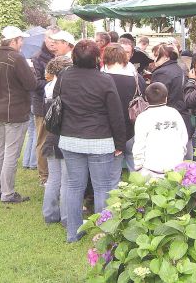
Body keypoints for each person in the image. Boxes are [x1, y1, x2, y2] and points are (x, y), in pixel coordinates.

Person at [54, 39, 125, 242]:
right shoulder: (104, 80)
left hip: (71, 139)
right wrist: (120, 143)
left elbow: (57, 105)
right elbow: (116, 114)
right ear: (97, 58)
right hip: (99, 140)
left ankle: (73, 232)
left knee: (74, 186)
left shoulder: (65, 76)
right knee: (102, 187)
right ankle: (103, 235)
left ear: (74, 57)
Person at [0, 26, 37, 203]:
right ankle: (7, 193)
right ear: (14, 41)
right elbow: (31, 84)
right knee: (10, 153)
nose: (22, 43)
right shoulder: (17, 58)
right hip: (15, 112)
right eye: (21, 39)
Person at [103, 43, 146, 171]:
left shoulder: (101, 79)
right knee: (137, 172)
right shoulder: (138, 79)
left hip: (109, 131)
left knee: (111, 176)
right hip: (134, 129)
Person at [133, 82, 188, 178]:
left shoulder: (143, 117)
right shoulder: (174, 113)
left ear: (146, 99)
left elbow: (139, 143)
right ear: (166, 98)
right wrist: (180, 156)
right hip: (175, 168)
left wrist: (138, 166)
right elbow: (184, 138)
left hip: (150, 169)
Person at [42, 56, 73, 226]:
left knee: (53, 178)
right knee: (66, 180)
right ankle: (67, 218)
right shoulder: (63, 86)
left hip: (51, 136)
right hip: (63, 135)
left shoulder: (48, 86)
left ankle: (50, 214)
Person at [151, 43, 193, 159]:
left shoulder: (162, 73)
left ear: (165, 56)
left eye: (155, 55)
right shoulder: (180, 68)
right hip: (183, 116)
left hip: (167, 120)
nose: (154, 59)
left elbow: (156, 98)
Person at [31, 25, 61, 185]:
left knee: (57, 141)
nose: (52, 42)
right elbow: (35, 84)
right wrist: (55, 82)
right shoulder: (37, 57)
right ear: (45, 38)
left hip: (59, 105)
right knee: (43, 141)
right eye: (50, 38)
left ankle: (56, 175)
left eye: (55, 39)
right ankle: (44, 177)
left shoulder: (62, 55)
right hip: (42, 105)